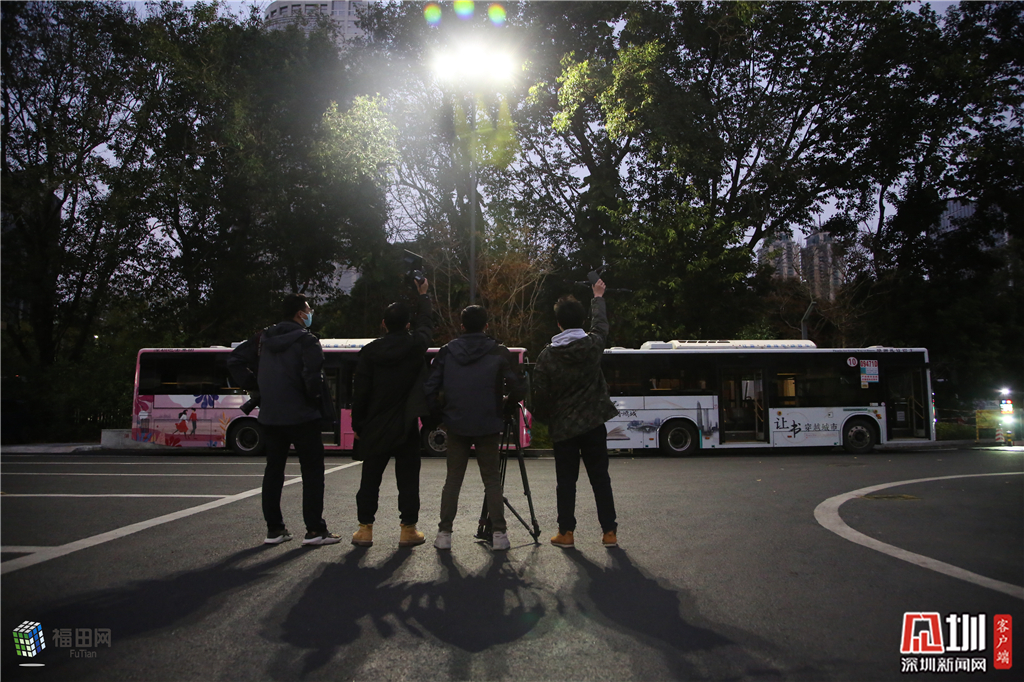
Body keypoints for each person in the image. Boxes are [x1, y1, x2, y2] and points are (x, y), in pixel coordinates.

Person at [228, 293, 341, 546]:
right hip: (303, 416)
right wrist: (312, 399)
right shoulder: (308, 340)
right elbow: (313, 377)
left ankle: (275, 530)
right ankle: (315, 530)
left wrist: (257, 386)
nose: (310, 313)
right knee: (312, 472)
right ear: (300, 314)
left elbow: (234, 360)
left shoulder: (262, 338)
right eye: (308, 310)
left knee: (274, 471)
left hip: (271, 415)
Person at [424, 305, 526, 551]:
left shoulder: (447, 351)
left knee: (453, 479)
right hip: (488, 422)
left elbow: (430, 388)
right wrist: (504, 407)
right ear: (486, 326)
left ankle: (444, 533)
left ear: (462, 326)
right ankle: (499, 533)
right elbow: (518, 387)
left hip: (456, 422)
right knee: (491, 480)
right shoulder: (498, 351)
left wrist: (440, 416)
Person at [532, 279, 619, 549]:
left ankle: (566, 533)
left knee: (566, 482)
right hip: (593, 423)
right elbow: (601, 325)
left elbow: (539, 396)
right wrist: (598, 296)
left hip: (564, 428)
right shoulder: (592, 345)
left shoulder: (547, 356)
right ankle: (609, 532)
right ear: (582, 321)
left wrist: (548, 420)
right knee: (600, 478)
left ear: (558, 323)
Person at [350, 278, 433, 548]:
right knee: (408, 480)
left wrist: (358, 425)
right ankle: (408, 530)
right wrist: (423, 295)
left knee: (370, 478)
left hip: (375, 424)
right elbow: (426, 325)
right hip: (406, 424)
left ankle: (365, 530)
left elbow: (361, 393)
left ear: (384, 324)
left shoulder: (369, 352)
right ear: (408, 324)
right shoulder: (415, 346)